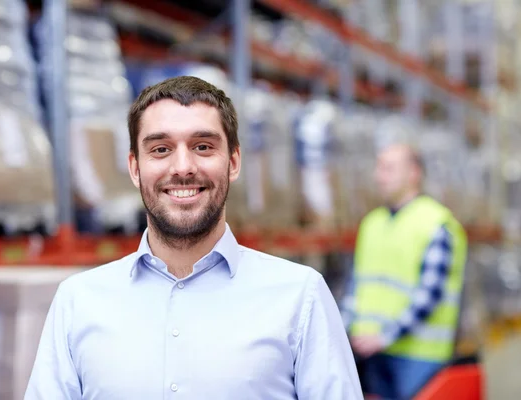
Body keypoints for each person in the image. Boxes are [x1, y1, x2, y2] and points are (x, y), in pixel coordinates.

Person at [25, 76, 363, 399]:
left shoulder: (300, 297)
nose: (183, 167)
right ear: (134, 168)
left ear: (233, 162)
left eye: (202, 146)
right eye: (160, 149)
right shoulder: (79, 301)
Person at [341, 143, 468, 399]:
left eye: (389, 168)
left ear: (413, 173)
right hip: (373, 352)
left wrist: (385, 335)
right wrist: (342, 336)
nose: (379, 176)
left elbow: (429, 295)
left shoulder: (436, 222)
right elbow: (357, 287)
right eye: (378, 168)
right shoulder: (372, 223)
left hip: (419, 356)